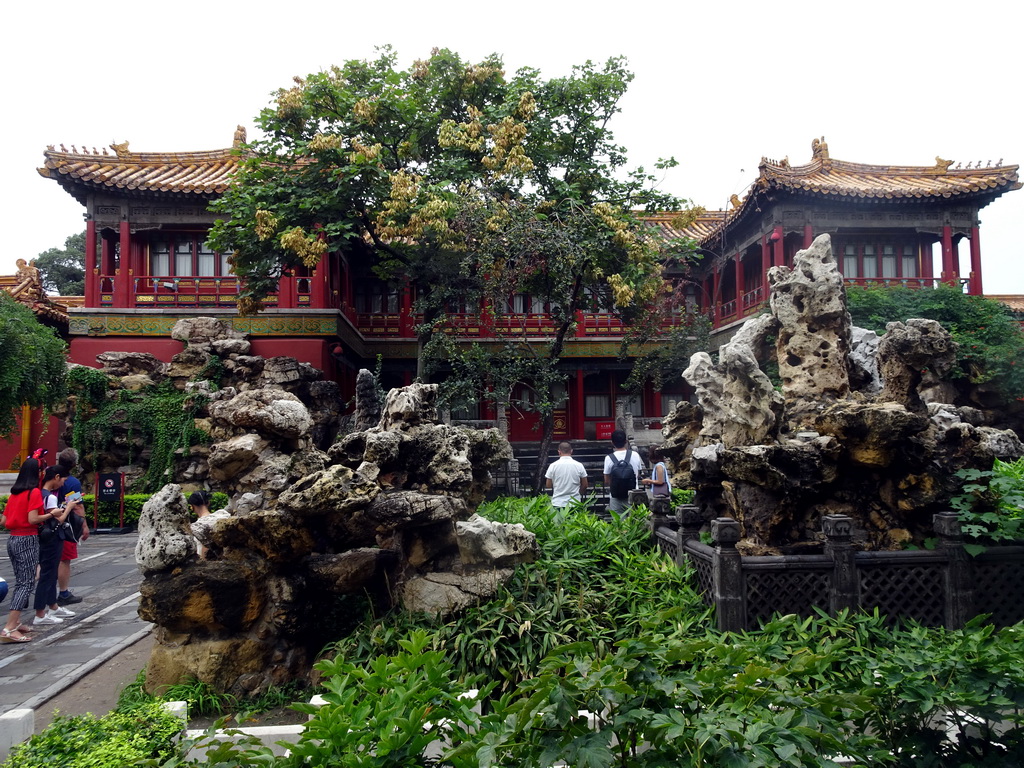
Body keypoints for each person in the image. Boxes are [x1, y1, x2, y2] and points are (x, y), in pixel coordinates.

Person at [1, 459, 49, 642]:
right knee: (26, 583)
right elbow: (33, 519)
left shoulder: (15, 494)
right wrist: (52, 514)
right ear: (37, 473)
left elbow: (4, 522)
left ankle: (17, 622)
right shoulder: (33, 492)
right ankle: (9, 627)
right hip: (27, 538)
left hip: (13, 539)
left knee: (21, 580)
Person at [33, 466, 79, 626]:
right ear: (57, 477)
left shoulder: (39, 494)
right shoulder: (50, 497)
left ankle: (53, 606)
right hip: (52, 538)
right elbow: (57, 520)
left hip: (44, 538)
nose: (63, 484)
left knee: (50, 574)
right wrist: (69, 508)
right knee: (48, 575)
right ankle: (40, 613)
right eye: (63, 480)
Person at [56, 447, 88, 605]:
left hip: (48, 521)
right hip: (66, 524)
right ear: (74, 464)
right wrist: (84, 525)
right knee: (64, 559)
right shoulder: (72, 482)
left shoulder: (48, 477)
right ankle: (63, 592)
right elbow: (77, 506)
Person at [603, 429, 643, 514]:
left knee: (618, 523)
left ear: (612, 442)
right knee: (634, 523)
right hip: (633, 495)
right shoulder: (635, 455)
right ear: (626, 441)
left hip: (616, 496)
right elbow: (637, 474)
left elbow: (607, 480)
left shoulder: (608, 458)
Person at [544, 441, 589, 508]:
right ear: (571, 451)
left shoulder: (553, 466)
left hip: (558, 502)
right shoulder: (579, 465)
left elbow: (548, 485)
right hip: (574, 502)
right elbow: (585, 484)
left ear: (559, 452)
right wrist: (579, 493)